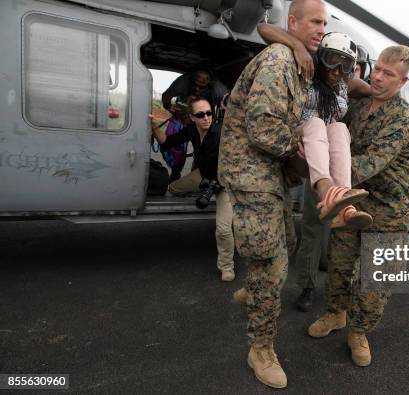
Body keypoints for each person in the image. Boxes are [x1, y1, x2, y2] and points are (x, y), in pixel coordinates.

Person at [217, 0, 326, 388]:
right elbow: (263, 129)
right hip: (251, 173)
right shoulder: (280, 59)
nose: (321, 29)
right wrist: (300, 150)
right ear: (292, 22)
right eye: (314, 22)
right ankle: (261, 348)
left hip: (270, 174)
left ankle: (260, 282)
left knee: (288, 242)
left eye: (324, 23)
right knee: (269, 264)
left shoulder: (298, 63)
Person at [306, 45, 409, 367]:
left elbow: (371, 162)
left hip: (390, 209)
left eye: (389, 74)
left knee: (376, 279)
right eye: (378, 69)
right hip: (352, 201)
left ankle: (358, 331)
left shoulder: (403, 118)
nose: (379, 77)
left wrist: (321, 172)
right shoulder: (358, 106)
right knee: (339, 265)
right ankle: (335, 314)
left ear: (403, 81)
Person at [256, 25, 375, 312]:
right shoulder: (306, 69)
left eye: (346, 64)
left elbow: (379, 93)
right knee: (311, 228)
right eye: (333, 60)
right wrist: (297, 46)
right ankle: (307, 286)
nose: (338, 70)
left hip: (327, 157)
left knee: (338, 129)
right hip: (302, 151)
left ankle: (343, 201)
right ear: (321, 57)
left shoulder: (347, 85)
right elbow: (263, 28)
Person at [150, 98, 235, 282]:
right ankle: (202, 190)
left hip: (225, 182)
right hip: (203, 175)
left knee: (223, 228)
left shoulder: (222, 132)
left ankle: (226, 266)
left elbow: (240, 158)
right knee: (173, 188)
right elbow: (167, 141)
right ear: (192, 117)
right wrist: (154, 126)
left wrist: (221, 182)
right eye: (200, 114)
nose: (206, 118)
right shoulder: (191, 130)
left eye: (209, 113)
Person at [160, 70, 229, 181]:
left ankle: (200, 177)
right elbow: (166, 96)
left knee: (203, 151)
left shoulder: (218, 89)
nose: (197, 89)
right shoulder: (182, 83)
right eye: (195, 85)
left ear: (208, 85)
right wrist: (168, 106)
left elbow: (229, 102)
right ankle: (175, 172)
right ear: (191, 81)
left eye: (201, 87)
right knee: (176, 148)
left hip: (202, 122)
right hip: (183, 118)